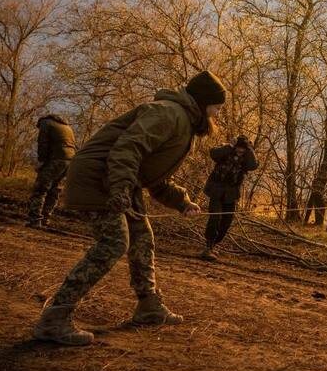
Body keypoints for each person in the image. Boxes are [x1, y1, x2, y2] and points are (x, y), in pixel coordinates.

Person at [32, 70, 227, 346]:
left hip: (119, 179)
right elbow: (128, 148)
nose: (218, 113)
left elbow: (154, 178)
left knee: (142, 236)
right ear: (204, 102)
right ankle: (55, 318)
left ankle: (149, 307)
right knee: (114, 242)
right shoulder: (168, 113)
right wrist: (120, 189)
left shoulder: (183, 122)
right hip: (99, 177)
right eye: (217, 106)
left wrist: (181, 202)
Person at [200, 135, 259, 261]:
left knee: (226, 222)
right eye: (238, 147)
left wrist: (250, 149)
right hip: (216, 191)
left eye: (243, 149)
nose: (240, 151)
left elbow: (253, 165)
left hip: (231, 194)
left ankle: (214, 245)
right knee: (215, 217)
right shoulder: (226, 150)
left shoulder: (246, 158)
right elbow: (213, 154)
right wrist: (230, 146)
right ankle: (208, 247)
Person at [26, 114, 77, 228]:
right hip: (69, 161)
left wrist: (42, 161)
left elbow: (42, 143)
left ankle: (35, 220)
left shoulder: (45, 123)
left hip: (56, 160)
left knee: (40, 190)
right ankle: (45, 219)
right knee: (54, 190)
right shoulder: (66, 126)